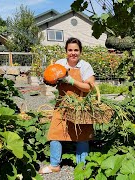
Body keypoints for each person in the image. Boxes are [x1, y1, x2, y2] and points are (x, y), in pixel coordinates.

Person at [39, 37, 95, 174]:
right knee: (55, 133)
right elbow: (52, 77)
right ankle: (54, 165)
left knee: (82, 135)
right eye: (70, 50)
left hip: (79, 105)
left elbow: (89, 87)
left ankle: (81, 166)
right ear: (66, 51)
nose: (73, 53)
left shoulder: (85, 66)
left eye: (76, 50)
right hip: (62, 104)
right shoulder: (60, 64)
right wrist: (49, 81)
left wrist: (71, 80)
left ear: (80, 51)